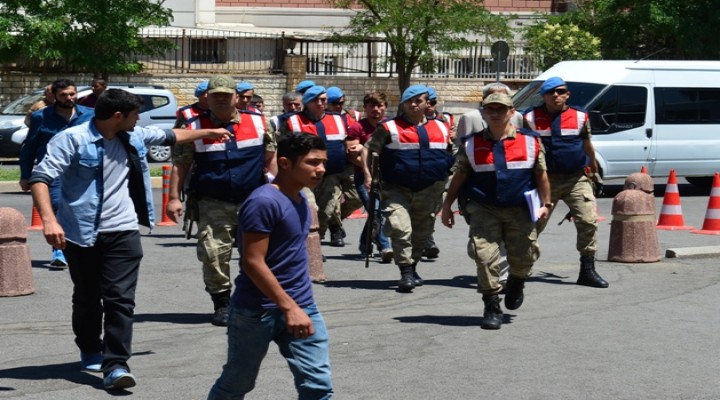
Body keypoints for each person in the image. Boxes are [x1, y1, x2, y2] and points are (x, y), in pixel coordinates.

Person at [28, 88, 231, 390]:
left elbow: (170, 136)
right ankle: (89, 346)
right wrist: (49, 220)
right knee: (87, 297)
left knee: (120, 299)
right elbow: (41, 177)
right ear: (118, 116)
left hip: (123, 230)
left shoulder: (132, 136)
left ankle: (116, 364)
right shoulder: (72, 139)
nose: (140, 120)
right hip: (81, 233)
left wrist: (211, 131)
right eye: (136, 114)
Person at [207, 132, 333, 400]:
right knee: (236, 384)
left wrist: (297, 306)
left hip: (302, 303)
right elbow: (252, 262)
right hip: (256, 312)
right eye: (312, 162)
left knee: (318, 384)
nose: (320, 169)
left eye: (323, 162)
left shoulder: (301, 198)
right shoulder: (264, 201)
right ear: (285, 163)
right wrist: (288, 308)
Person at [167, 75, 276, 327]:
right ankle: (222, 303)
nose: (221, 100)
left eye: (226, 95)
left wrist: (278, 192)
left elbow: (271, 158)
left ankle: (254, 300)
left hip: (254, 200)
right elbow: (181, 164)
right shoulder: (194, 124)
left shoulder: (259, 122)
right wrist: (174, 198)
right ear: (207, 97)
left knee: (259, 254)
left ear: (236, 97)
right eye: (215, 95)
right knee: (213, 253)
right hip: (212, 200)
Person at [441, 92, 551, 330]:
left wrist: (546, 204)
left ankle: (517, 281)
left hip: (520, 208)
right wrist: (447, 206)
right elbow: (460, 176)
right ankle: (491, 305)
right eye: (491, 109)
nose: (496, 113)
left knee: (525, 255)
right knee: (483, 255)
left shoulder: (531, 140)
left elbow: (540, 174)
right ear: (484, 113)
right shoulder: (471, 143)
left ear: (512, 112)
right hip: (484, 207)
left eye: (501, 109)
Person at [363, 85, 453, 292]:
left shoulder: (441, 126)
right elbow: (369, 151)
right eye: (409, 101)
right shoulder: (388, 128)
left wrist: (448, 175)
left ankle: (413, 267)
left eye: (418, 101)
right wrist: (368, 176)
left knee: (422, 233)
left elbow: (449, 155)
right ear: (402, 104)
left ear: (426, 103)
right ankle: (405, 271)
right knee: (399, 228)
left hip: (430, 189)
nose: (413, 105)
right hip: (396, 189)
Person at [523, 76, 609, 289]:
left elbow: (587, 144)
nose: (556, 95)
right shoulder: (530, 117)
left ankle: (587, 271)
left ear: (567, 94)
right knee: (532, 226)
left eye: (560, 91)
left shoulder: (580, 116)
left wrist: (594, 172)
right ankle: (520, 268)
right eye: (551, 92)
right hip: (544, 180)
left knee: (588, 221)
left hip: (576, 178)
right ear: (543, 96)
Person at [455, 82, 528, 287]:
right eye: (492, 103)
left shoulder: (519, 119)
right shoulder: (470, 119)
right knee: (482, 241)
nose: (497, 108)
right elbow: (460, 150)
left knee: (510, 240)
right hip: (480, 191)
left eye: (503, 102)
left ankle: (502, 278)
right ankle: (491, 269)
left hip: (513, 189)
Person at [19, 78, 94, 268]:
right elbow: (30, 148)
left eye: (72, 94)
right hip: (54, 173)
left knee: (82, 210)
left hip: (82, 173)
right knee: (58, 208)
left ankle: (80, 249)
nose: (69, 98)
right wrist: (25, 175)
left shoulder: (90, 115)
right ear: (53, 95)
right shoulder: (41, 117)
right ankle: (59, 251)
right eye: (63, 95)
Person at [278, 86, 350, 248]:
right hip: (302, 177)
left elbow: (346, 143)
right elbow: (282, 147)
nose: (320, 103)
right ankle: (308, 246)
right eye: (315, 100)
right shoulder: (292, 121)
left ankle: (315, 242)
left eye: (323, 100)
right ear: (306, 102)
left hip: (331, 175)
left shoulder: (338, 119)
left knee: (325, 211)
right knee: (311, 208)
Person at [346, 92, 392, 262]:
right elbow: (352, 155)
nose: (376, 109)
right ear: (365, 108)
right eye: (371, 106)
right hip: (363, 177)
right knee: (375, 210)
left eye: (379, 105)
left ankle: (364, 244)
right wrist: (370, 170)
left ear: (385, 107)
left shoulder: (389, 126)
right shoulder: (358, 127)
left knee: (377, 212)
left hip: (386, 177)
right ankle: (385, 246)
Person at [421, 87, 456, 260]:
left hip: (440, 170)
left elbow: (453, 142)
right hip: (419, 171)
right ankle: (425, 240)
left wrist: (454, 137)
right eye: (427, 102)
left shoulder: (446, 119)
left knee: (434, 207)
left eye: (433, 103)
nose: (429, 106)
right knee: (421, 208)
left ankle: (426, 237)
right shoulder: (414, 121)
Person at [325, 86, 363, 228]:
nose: (338, 106)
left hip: (350, 164)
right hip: (331, 165)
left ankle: (336, 220)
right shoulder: (322, 117)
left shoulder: (354, 116)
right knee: (331, 200)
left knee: (357, 198)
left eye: (341, 103)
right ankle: (336, 229)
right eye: (334, 103)